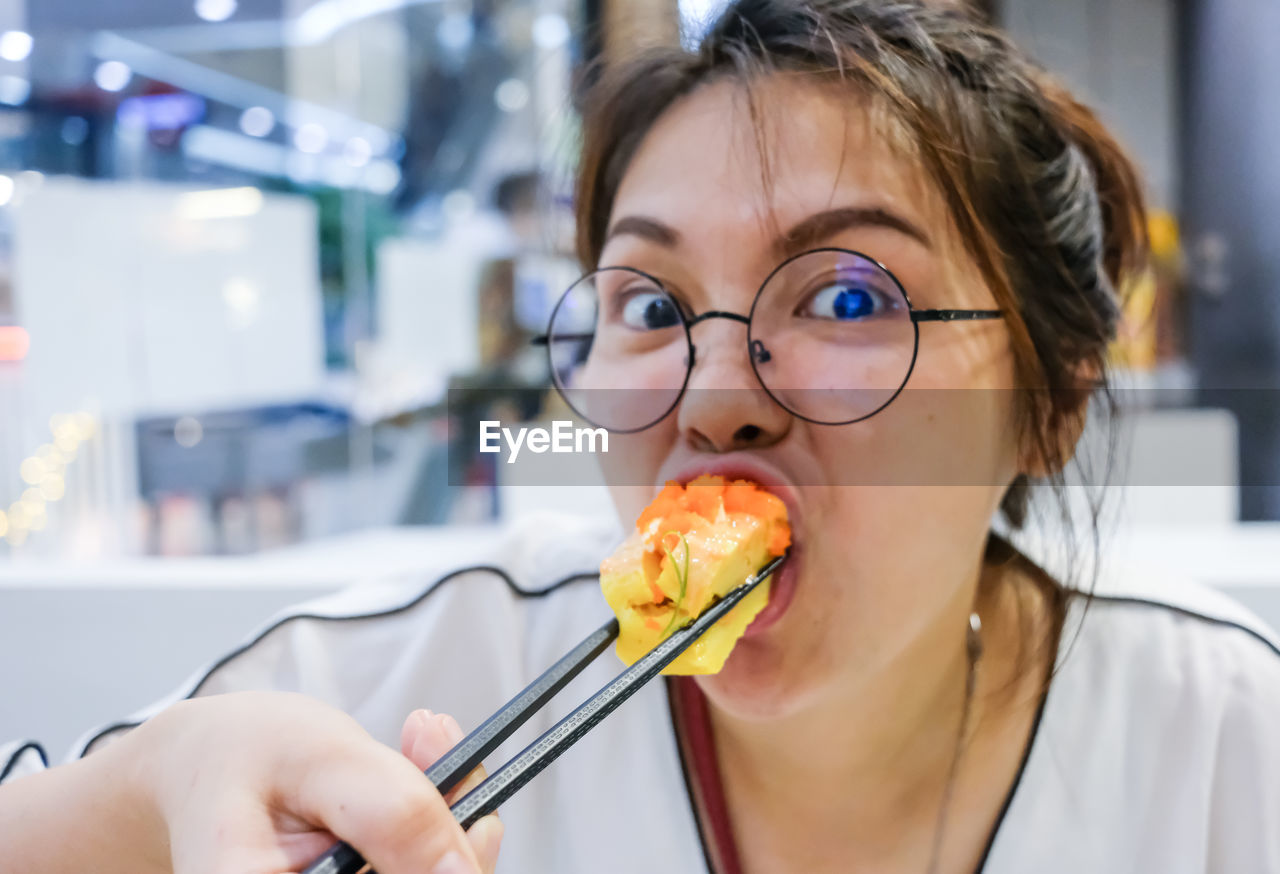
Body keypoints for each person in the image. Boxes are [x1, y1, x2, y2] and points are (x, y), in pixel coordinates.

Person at [4, 1, 1279, 872]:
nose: (716, 392)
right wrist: (155, 781)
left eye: (846, 297)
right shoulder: (423, 675)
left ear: (1048, 401)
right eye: (652, 306)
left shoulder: (1223, 742)